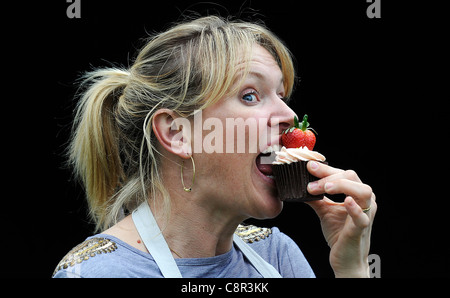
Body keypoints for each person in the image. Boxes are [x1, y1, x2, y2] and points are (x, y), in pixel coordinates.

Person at [53, 15, 376, 278]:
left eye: (282, 95)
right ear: (177, 133)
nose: (290, 116)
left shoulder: (275, 254)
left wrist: (353, 269)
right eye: (250, 95)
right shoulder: (98, 273)